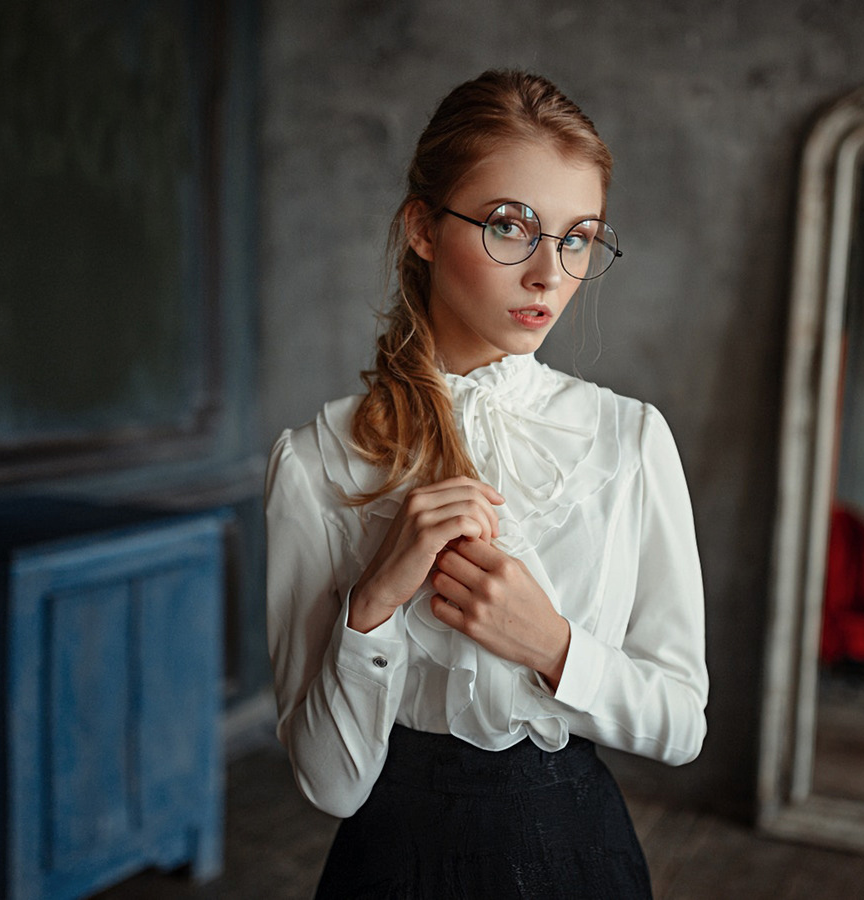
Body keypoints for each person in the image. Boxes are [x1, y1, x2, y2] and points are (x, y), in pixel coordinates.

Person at [262, 70, 708, 898]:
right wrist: (375, 603)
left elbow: (682, 724)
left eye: (578, 237)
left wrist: (553, 647)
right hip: (391, 868)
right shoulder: (317, 460)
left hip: (579, 857)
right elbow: (331, 785)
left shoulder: (631, 442)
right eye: (511, 227)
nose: (549, 273)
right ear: (423, 229)